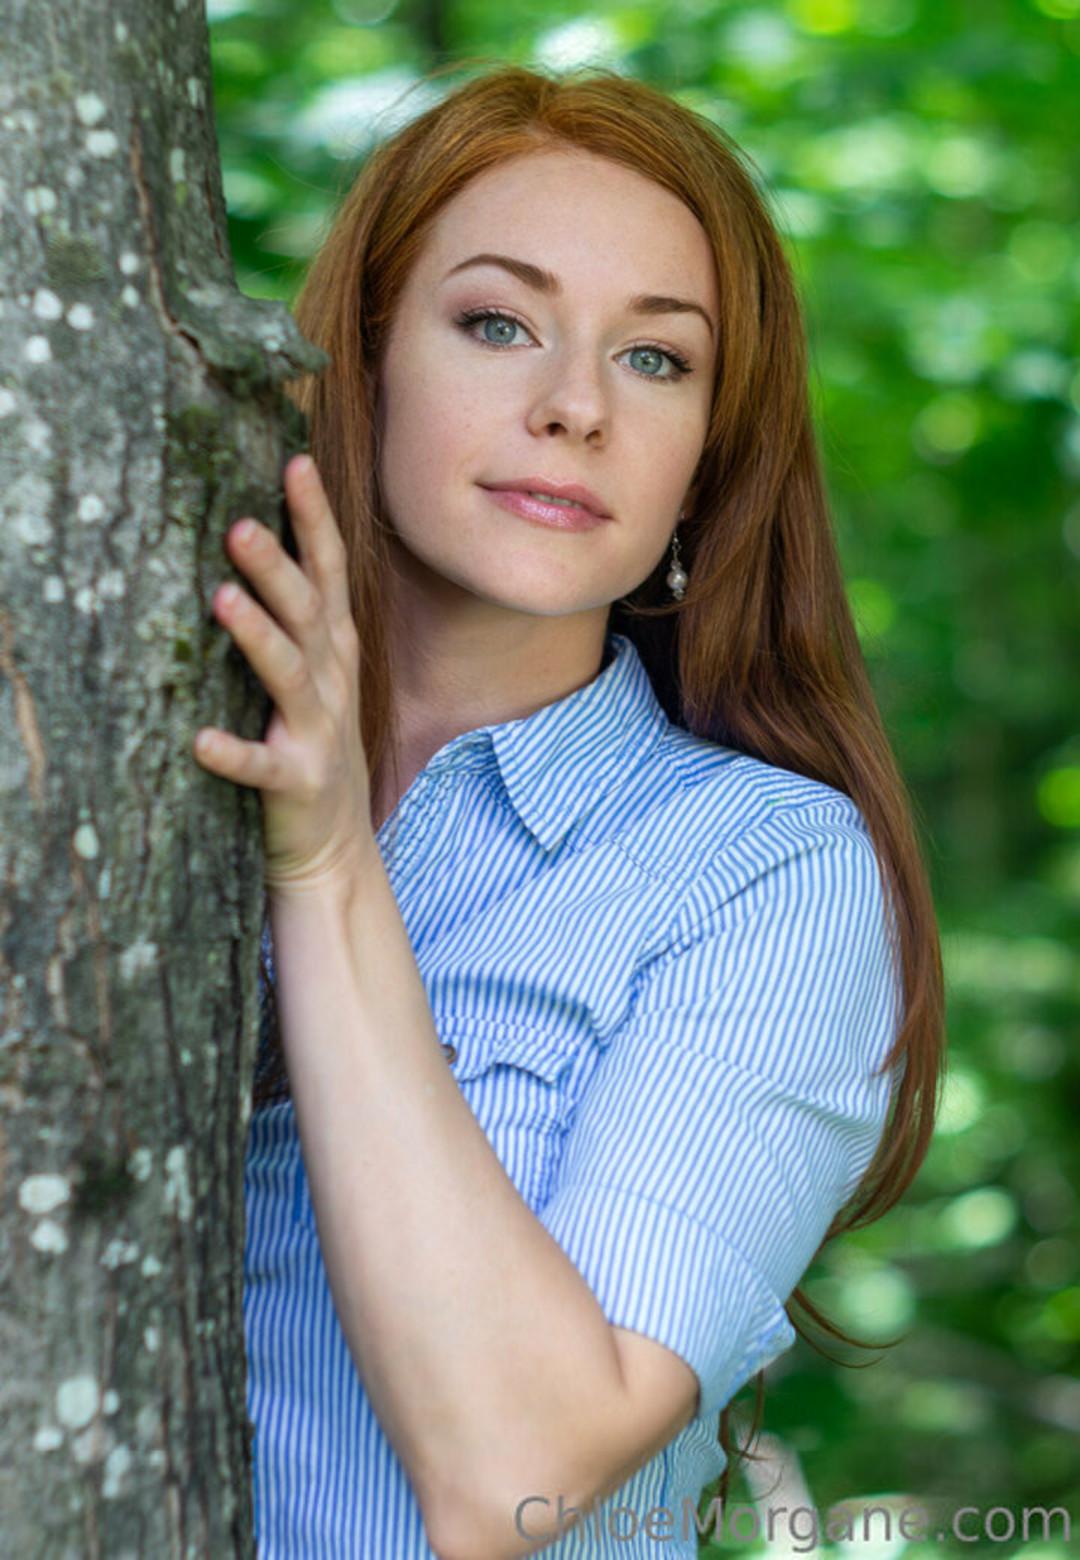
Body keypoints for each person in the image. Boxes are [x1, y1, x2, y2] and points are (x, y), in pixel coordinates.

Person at [193, 63, 945, 1560]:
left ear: (708, 459)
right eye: (497, 323)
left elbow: (518, 1474)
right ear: (363, 359)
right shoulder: (143, 756)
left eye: (657, 359)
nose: (576, 408)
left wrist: (329, 864)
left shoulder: (763, 876)